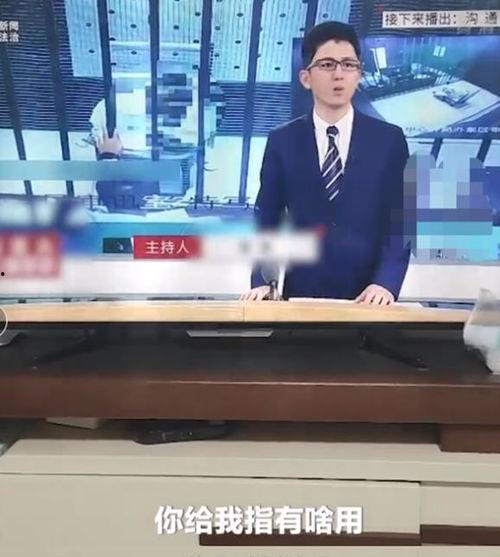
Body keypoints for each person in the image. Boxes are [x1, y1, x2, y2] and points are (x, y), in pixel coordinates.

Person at [241, 21, 411, 305]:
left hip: (370, 298)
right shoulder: (282, 140)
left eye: (349, 65)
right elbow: (268, 218)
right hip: (301, 296)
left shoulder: (389, 141)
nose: (339, 74)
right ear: (306, 77)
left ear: (359, 74)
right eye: (327, 65)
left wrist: (385, 284)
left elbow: (401, 221)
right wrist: (262, 282)